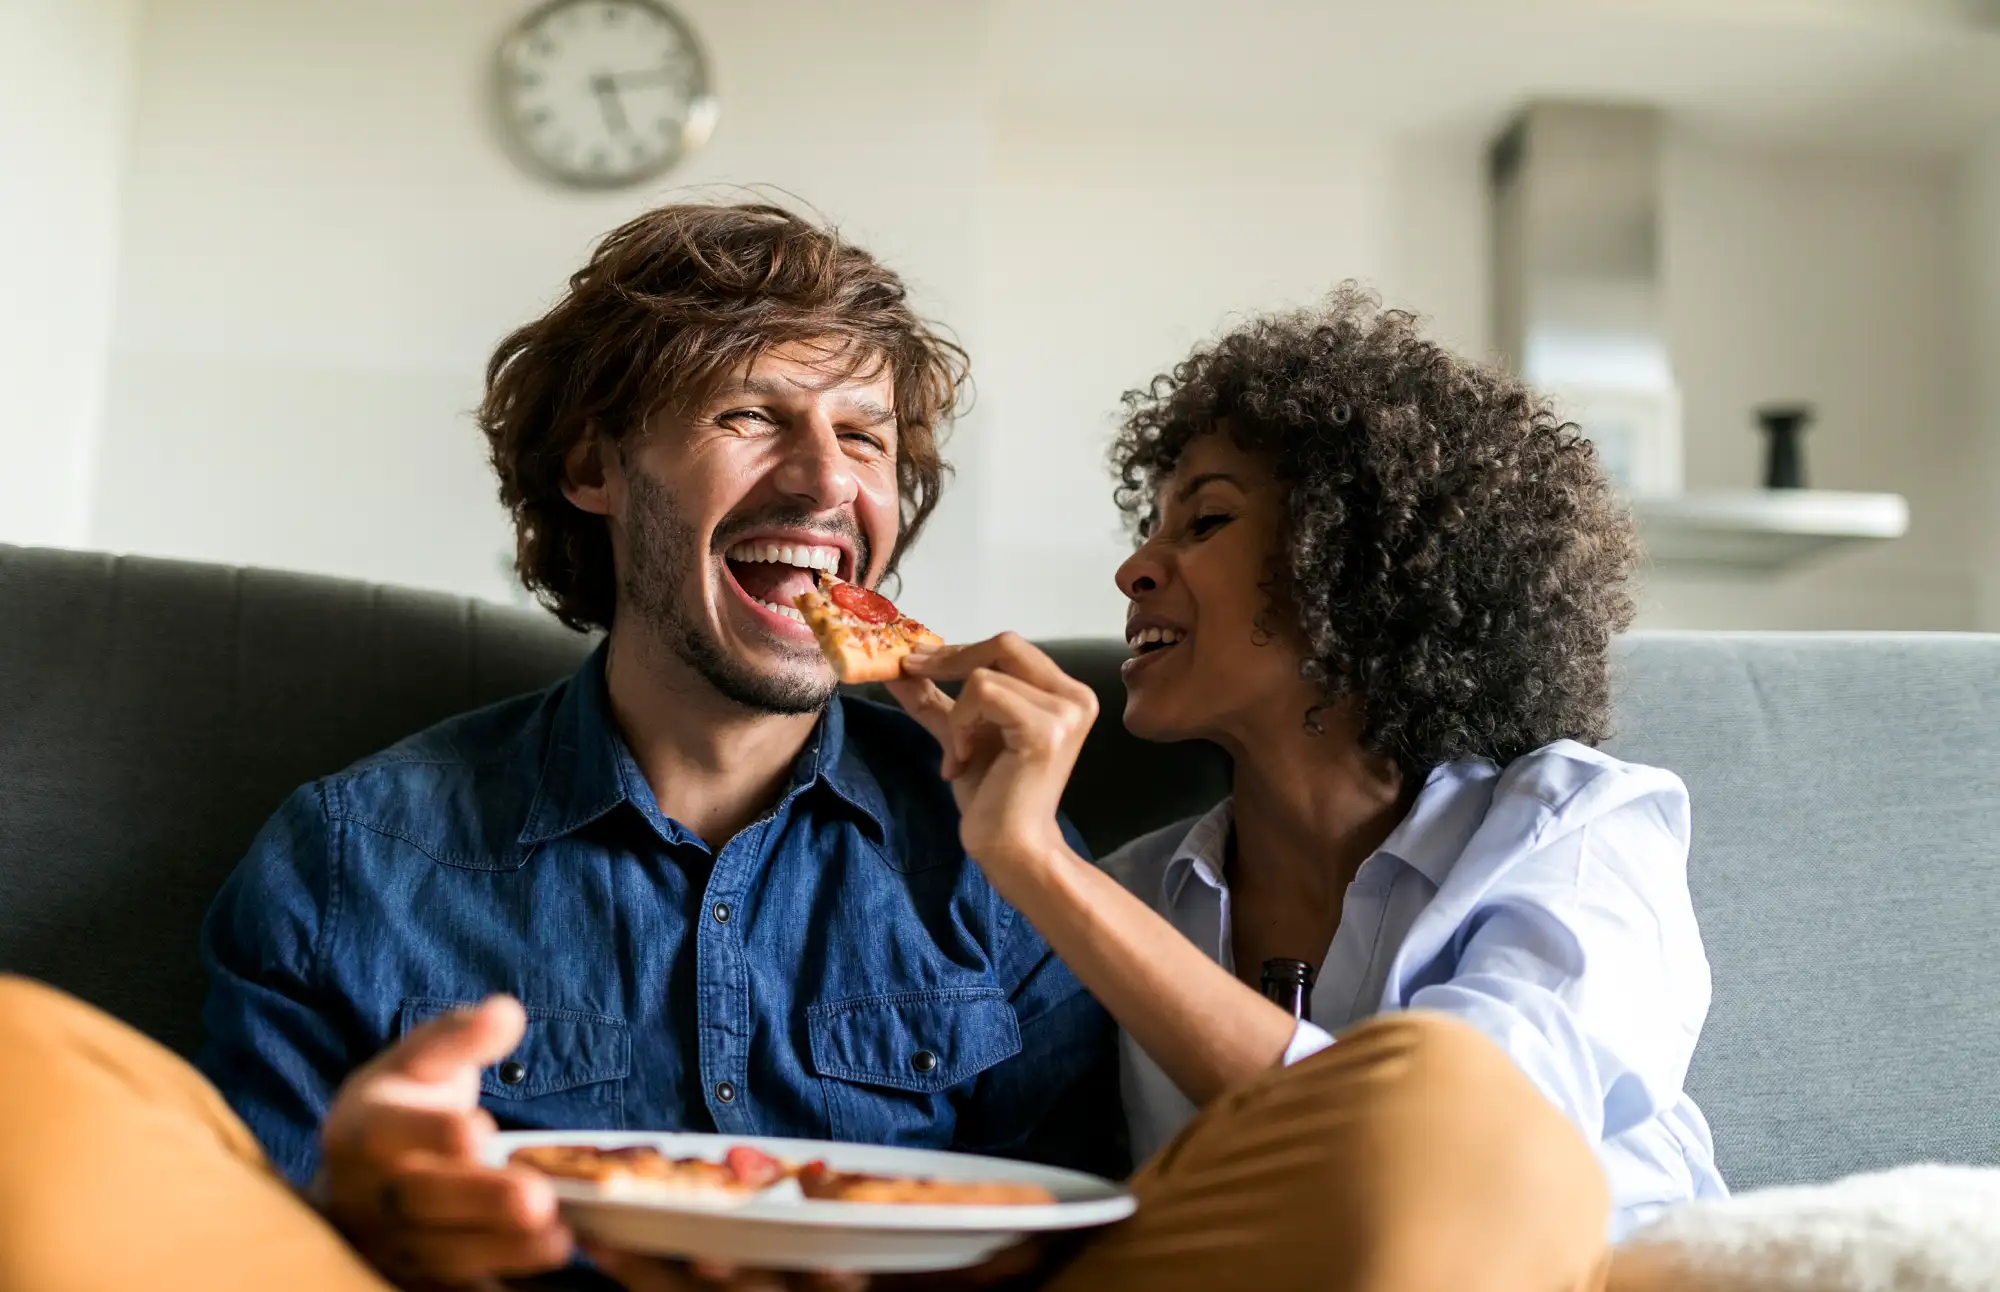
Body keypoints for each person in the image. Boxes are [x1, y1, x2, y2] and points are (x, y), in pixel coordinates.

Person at [185, 201, 1122, 1286]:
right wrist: (365, 1217)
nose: (826, 480)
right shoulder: (346, 860)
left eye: (863, 433)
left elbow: (1081, 1239)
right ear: (595, 466)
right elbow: (239, 1244)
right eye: (748, 414)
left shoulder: (999, 849)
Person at [884, 288, 1728, 1246]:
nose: (1136, 570)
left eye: (1204, 522)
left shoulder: (1578, 827)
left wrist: (1041, 866)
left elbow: (1457, 1168)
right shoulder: (1130, 898)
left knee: (1446, 1095)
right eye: (1151, 527)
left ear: (1359, 563)